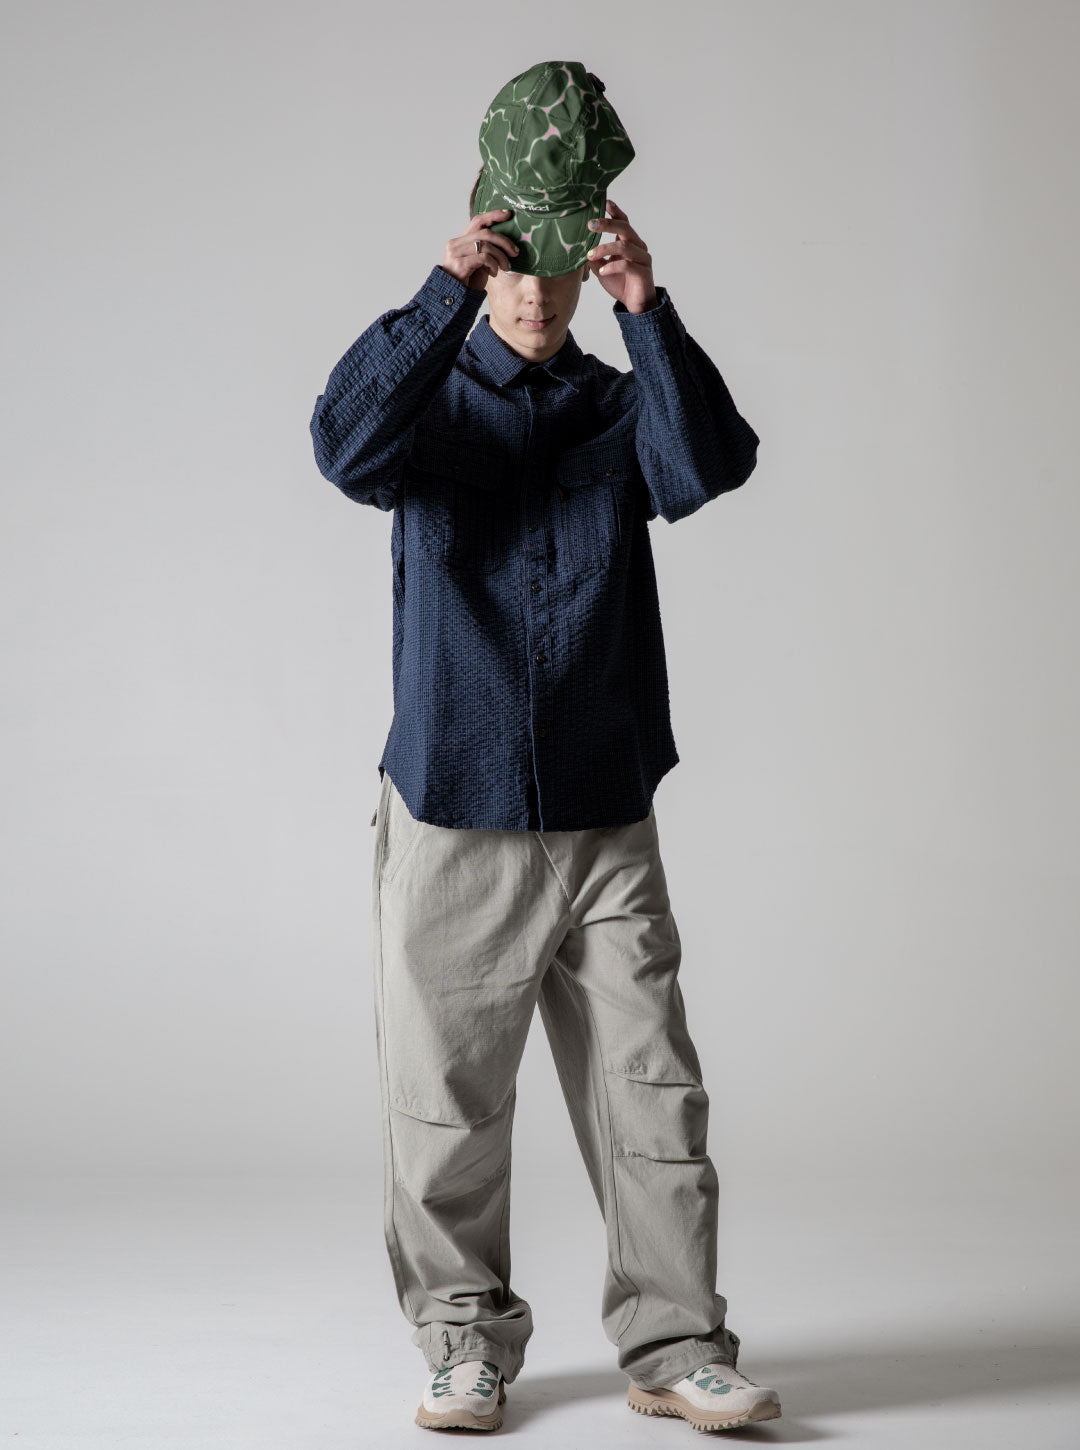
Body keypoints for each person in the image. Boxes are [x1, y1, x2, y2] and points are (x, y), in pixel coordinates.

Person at [308, 59, 781, 1437]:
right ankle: (464, 1340)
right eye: (515, 261)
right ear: (486, 244)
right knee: (445, 1105)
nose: (534, 292)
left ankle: (677, 1346)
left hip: (604, 807)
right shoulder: (423, 402)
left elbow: (712, 464)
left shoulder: (618, 407)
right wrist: (439, 293)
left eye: (559, 263)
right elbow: (340, 446)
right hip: (454, 805)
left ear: (588, 258)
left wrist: (649, 312)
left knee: (655, 1098)